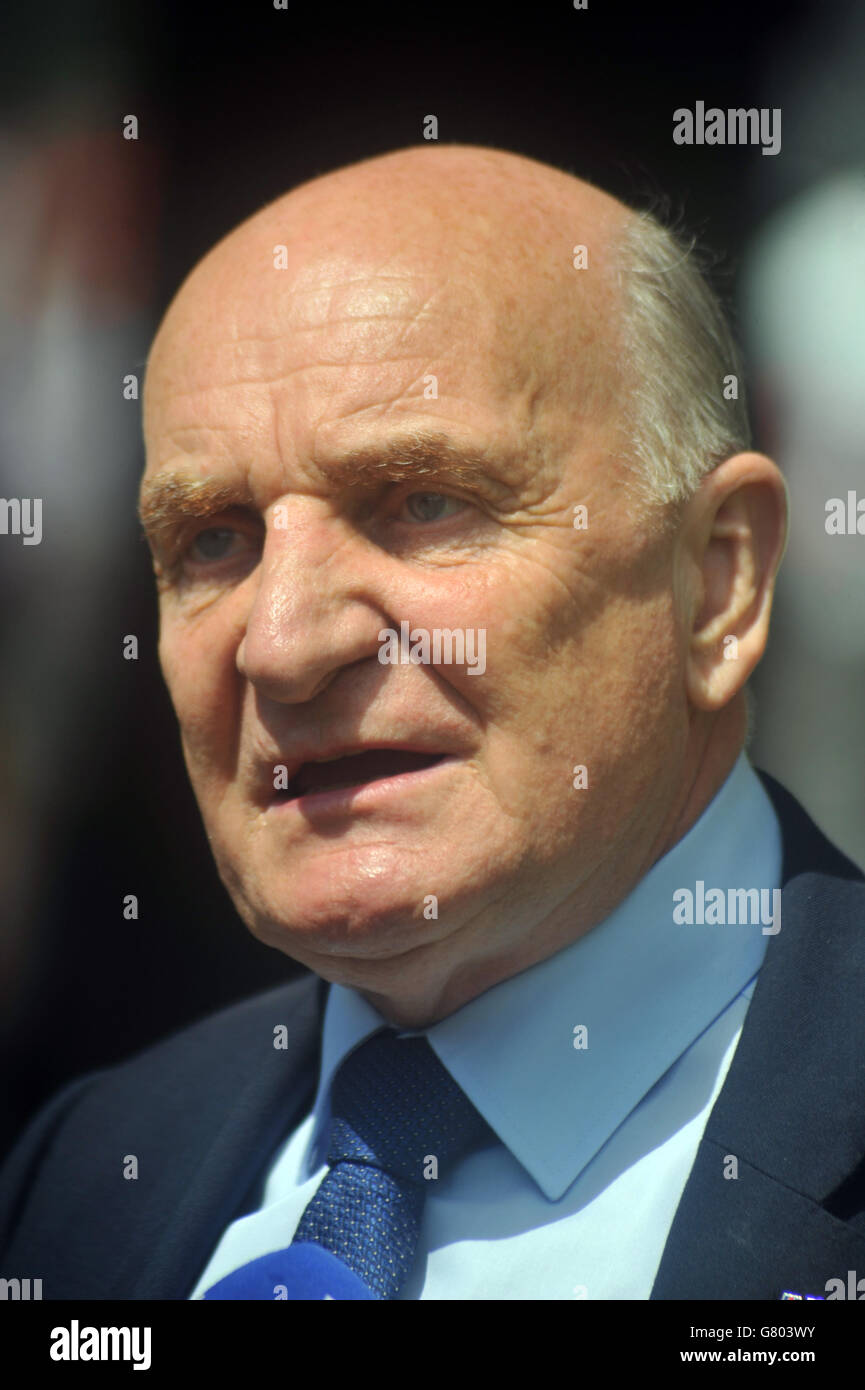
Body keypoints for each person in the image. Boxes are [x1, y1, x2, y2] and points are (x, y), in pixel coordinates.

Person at [1, 144, 863, 1301]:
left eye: (422, 505)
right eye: (214, 539)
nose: (284, 645)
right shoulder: (81, 1174)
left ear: (716, 581)